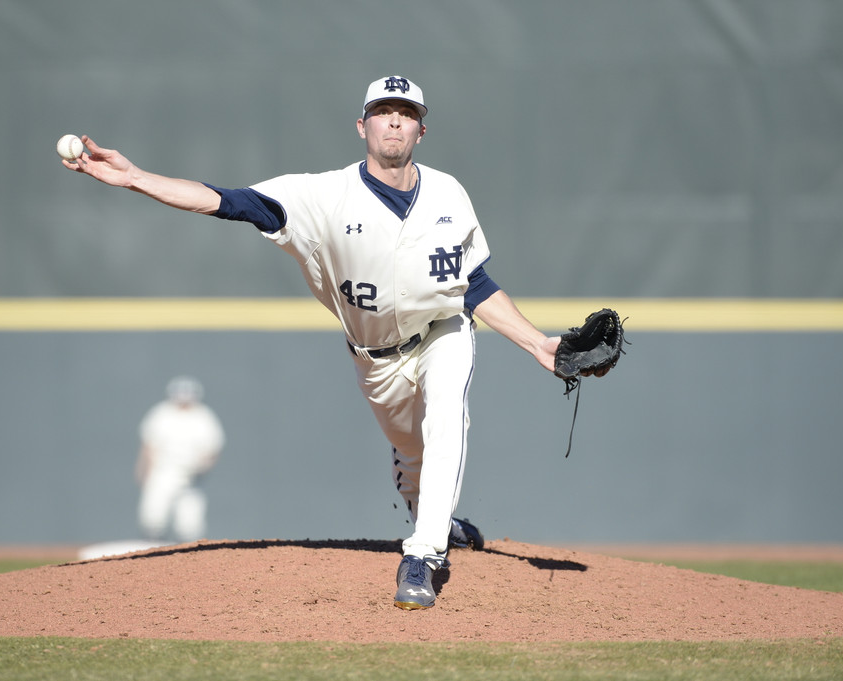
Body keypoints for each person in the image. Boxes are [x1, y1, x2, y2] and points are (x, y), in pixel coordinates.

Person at [62, 75, 561, 610]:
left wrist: (538, 344)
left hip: (442, 330)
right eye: (383, 110)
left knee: (447, 417)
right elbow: (226, 201)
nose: (395, 120)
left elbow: (474, 284)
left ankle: (423, 555)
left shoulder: (448, 194)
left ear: (421, 130)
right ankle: (439, 521)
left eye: (407, 112)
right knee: (413, 455)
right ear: (362, 126)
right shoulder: (321, 196)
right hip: (375, 359)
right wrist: (136, 178)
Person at [135, 376, 224, 543]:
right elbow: (148, 445)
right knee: (153, 517)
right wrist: (144, 471)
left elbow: (213, 449)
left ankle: (188, 557)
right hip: (163, 472)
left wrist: (203, 467)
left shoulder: (204, 417)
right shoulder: (161, 413)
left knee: (189, 523)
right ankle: (152, 552)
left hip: (192, 477)